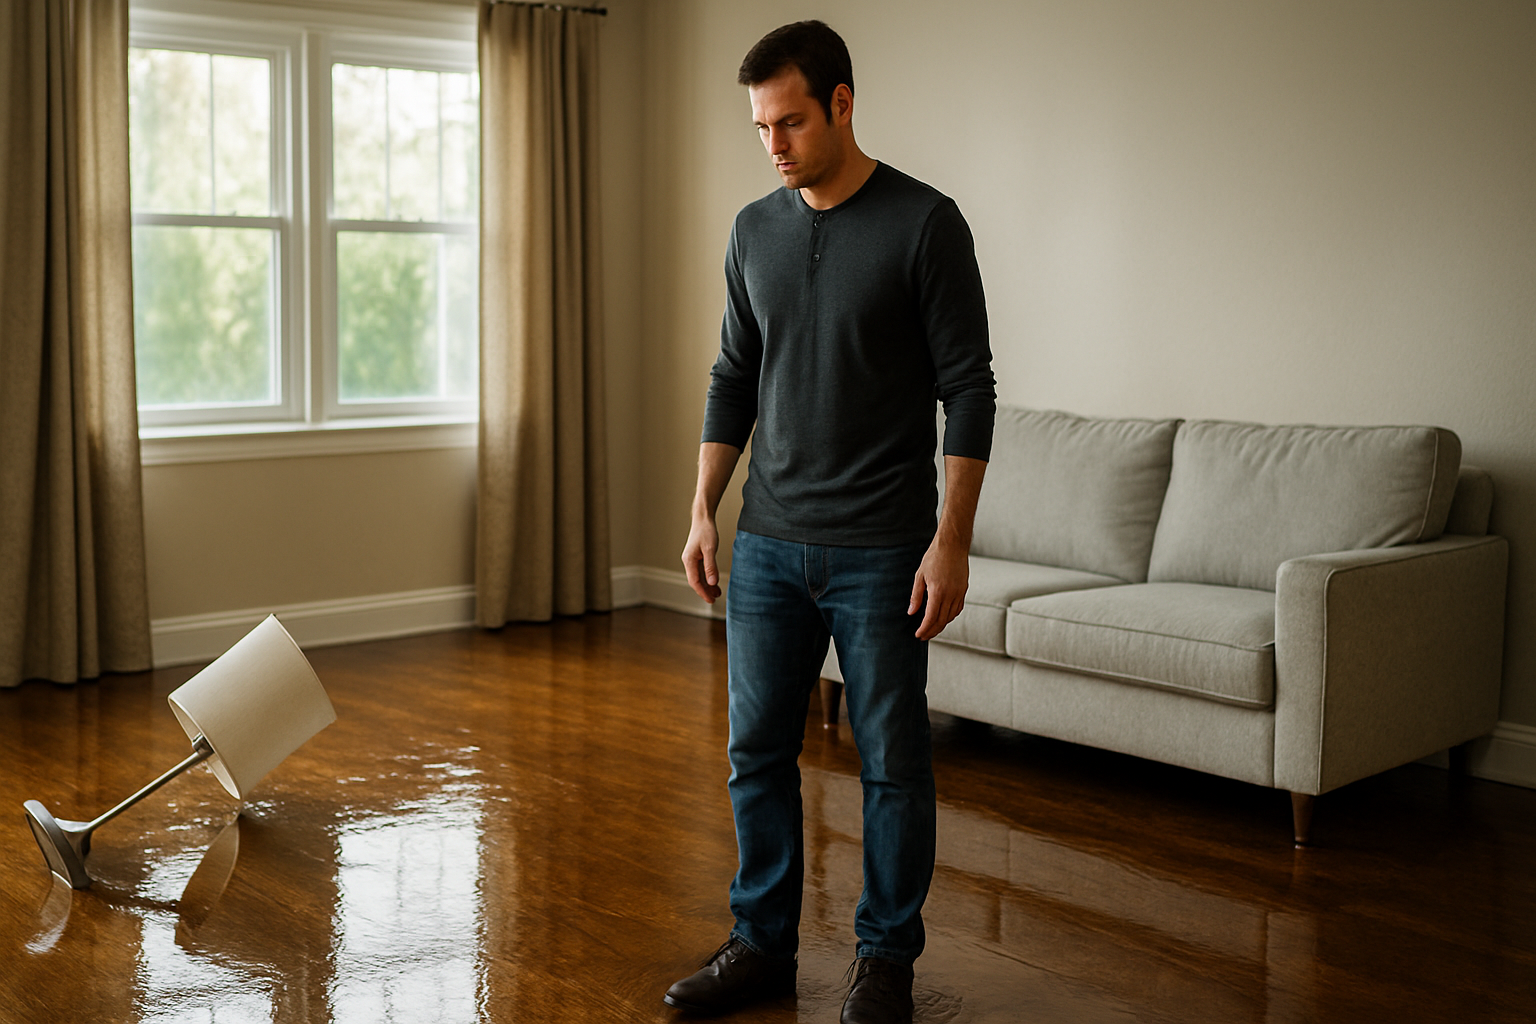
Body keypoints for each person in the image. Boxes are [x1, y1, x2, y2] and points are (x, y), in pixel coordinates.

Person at [666, 20, 995, 1024]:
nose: (773, 144)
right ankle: (762, 944)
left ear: (842, 104)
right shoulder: (752, 231)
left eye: (791, 122)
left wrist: (951, 539)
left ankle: (885, 962)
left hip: (883, 548)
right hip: (767, 541)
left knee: (892, 765)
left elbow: (969, 389)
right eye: (761, 126)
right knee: (756, 754)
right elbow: (734, 375)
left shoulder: (925, 224)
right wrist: (704, 508)